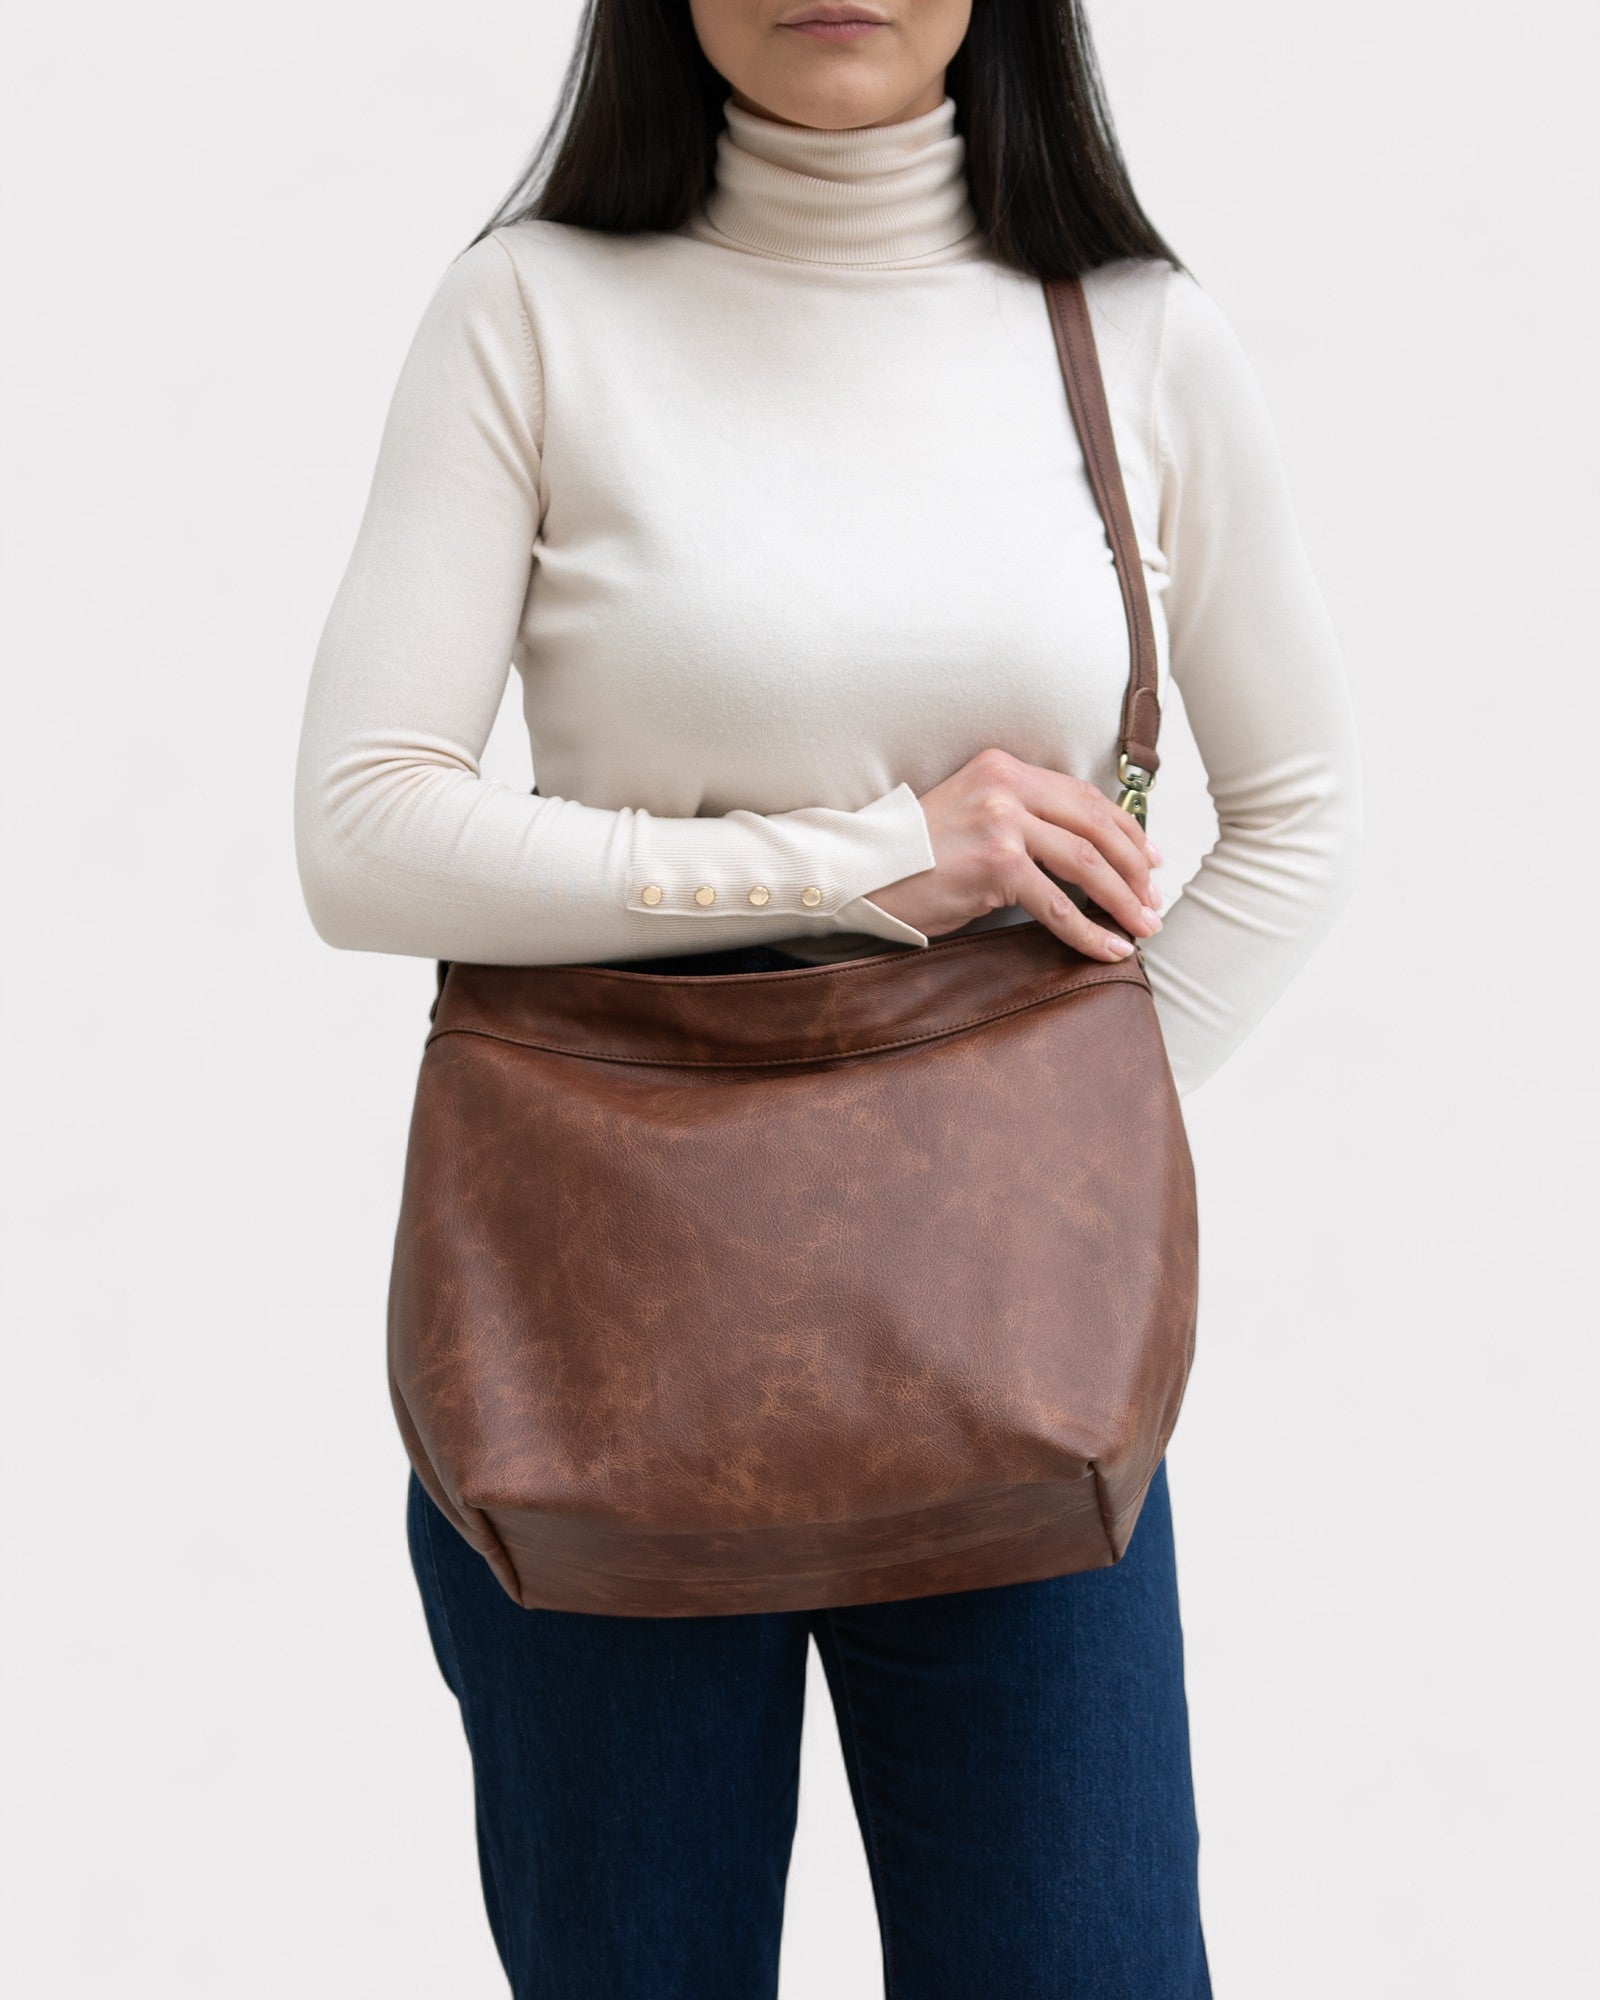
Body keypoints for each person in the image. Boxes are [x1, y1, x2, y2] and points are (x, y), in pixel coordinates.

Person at [293, 1, 1363, 1993]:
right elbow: (362, 834)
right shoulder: (531, 310)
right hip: (591, 1332)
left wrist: (1050, 1155)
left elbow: (1297, 811)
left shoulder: (1129, 332)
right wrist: (865, 863)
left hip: (1011, 1349)